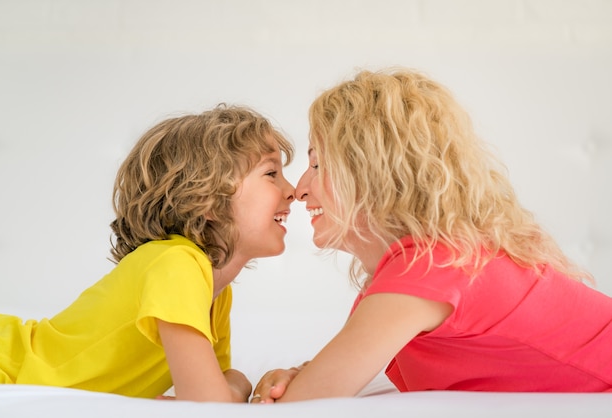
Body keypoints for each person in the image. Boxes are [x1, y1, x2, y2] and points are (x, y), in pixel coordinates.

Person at [251, 68, 612, 403]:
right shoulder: (421, 269)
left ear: (374, 172)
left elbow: (304, 402)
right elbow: (324, 378)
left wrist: (289, 384)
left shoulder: (424, 269)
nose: (299, 190)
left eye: (317, 165)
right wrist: (294, 375)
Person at [0, 104, 296, 402]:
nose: (292, 190)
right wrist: (241, 384)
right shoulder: (178, 266)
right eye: (271, 174)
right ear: (209, 200)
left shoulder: (214, 287)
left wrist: (236, 383)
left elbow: (217, 382)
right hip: (2, 367)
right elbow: (210, 400)